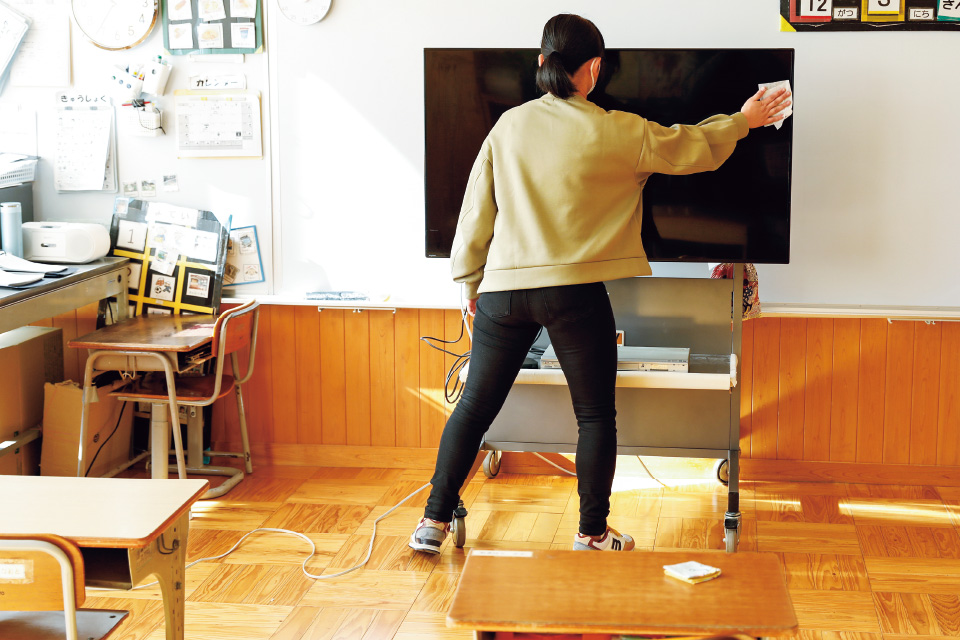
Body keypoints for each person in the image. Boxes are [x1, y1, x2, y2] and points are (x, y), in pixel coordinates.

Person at [409, 13, 791, 554]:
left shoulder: (508, 125)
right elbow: (692, 147)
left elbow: (476, 212)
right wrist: (744, 120)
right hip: (573, 294)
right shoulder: (619, 131)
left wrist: (468, 281)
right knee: (593, 415)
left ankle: (433, 523)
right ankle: (592, 533)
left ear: (541, 63)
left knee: (473, 406)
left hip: (503, 291)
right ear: (592, 69)